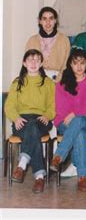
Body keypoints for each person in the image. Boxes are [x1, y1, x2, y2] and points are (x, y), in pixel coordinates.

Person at [49, 48, 86, 192]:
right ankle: (82, 177)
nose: (79, 66)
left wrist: (75, 114)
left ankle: (59, 156)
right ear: (70, 65)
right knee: (79, 133)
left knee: (78, 122)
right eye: (75, 63)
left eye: (82, 63)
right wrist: (81, 113)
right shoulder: (62, 84)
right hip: (65, 122)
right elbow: (61, 107)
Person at [4, 49, 55, 193]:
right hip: (21, 121)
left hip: (41, 120)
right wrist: (16, 118)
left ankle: (22, 164)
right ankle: (39, 177)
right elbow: (9, 105)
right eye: (30, 60)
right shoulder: (17, 82)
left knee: (33, 125)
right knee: (32, 130)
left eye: (37, 60)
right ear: (24, 63)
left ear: (41, 63)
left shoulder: (48, 83)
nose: (33, 63)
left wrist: (47, 115)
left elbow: (53, 105)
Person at [25, 7, 70, 81]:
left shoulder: (64, 40)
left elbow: (67, 64)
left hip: (58, 81)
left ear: (55, 20)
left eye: (51, 18)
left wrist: (59, 78)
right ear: (39, 21)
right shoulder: (32, 40)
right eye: (44, 19)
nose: (48, 22)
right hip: (36, 80)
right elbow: (27, 63)